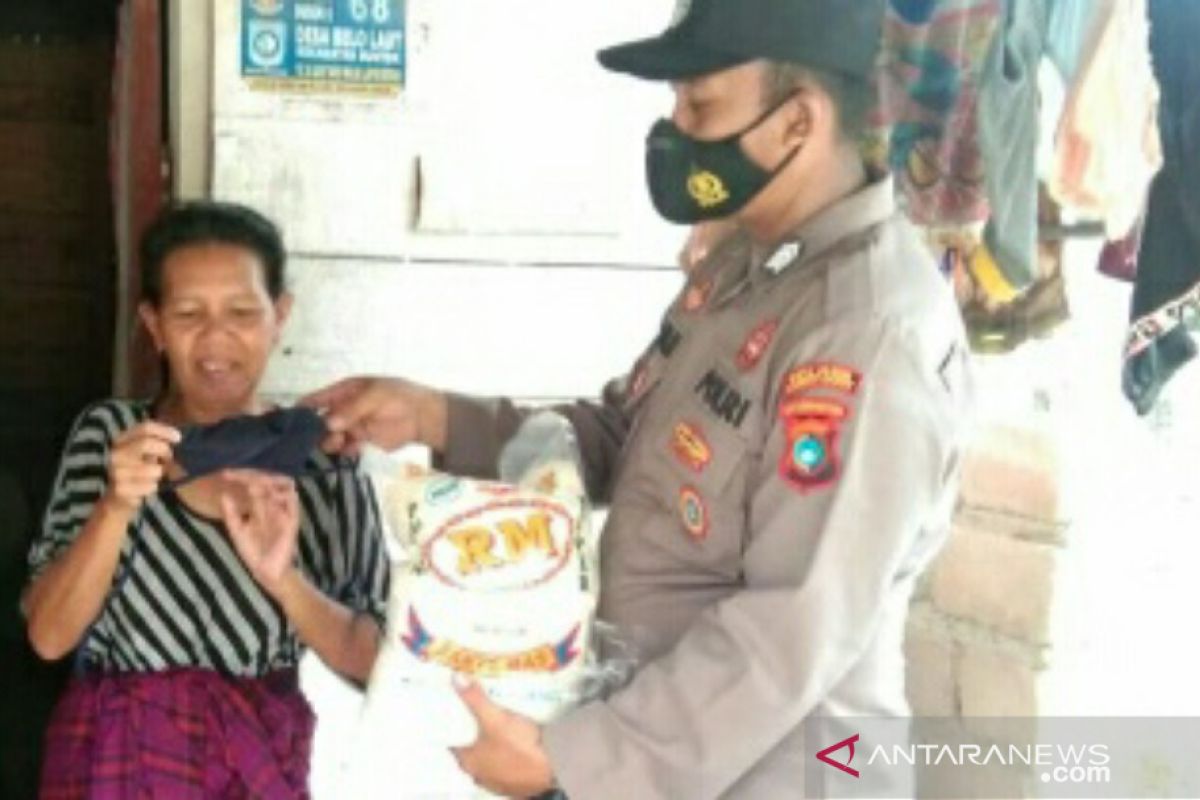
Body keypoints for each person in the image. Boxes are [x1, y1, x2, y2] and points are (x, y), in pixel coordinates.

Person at [306, 0, 974, 796]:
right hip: (661, 749)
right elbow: (627, 433)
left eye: (701, 105)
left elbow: (791, 627)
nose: (677, 129)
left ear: (798, 122)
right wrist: (437, 417)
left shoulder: (863, 333)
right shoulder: (746, 271)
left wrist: (576, 761)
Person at [23, 202, 389, 798]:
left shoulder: (325, 460)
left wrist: (284, 581)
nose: (216, 339)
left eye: (243, 312)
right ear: (154, 325)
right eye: (189, 313)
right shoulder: (112, 436)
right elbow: (48, 637)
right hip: (111, 761)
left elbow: (376, 658)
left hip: (254, 762)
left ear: (280, 316)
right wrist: (115, 508)